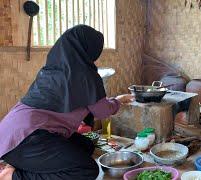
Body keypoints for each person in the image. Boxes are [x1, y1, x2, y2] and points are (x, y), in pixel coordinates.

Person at [0, 25, 134, 180]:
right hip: (27, 140)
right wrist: (117, 101)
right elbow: (102, 111)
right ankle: (13, 176)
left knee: (86, 146)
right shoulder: (86, 76)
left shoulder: (51, 69)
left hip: (10, 134)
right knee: (86, 169)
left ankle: (19, 164)